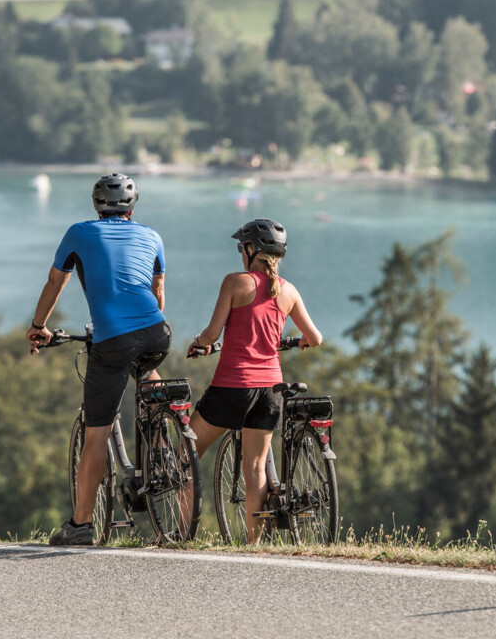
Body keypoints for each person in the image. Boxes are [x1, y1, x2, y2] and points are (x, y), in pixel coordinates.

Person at [28, 173, 170, 547]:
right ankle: (164, 441)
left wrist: (38, 326)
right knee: (148, 368)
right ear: (132, 208)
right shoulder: (152, 236)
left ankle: (80, 525)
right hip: (158, 332)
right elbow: (157, 292)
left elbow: (55, 283)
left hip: (112, 340)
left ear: (96, 206)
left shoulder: (80, 232)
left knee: (96, 434)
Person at [186, 218, 323, 543]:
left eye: (241, 248)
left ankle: (179, 533)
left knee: (186, 450)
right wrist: (299, 342)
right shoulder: (288, 290)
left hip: (233, 387)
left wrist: (200, 343)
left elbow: (212, 333)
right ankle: (254, 546)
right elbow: (315, 338)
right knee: (256, 468)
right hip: (270, 391)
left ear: (250, 250)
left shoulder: (236, 283)